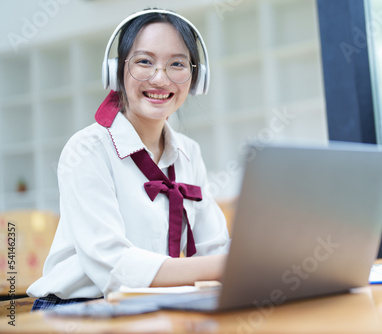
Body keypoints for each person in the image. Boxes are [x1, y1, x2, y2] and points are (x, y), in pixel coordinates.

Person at [27, 9, 230, 311]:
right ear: (116, 72)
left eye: (177, 64)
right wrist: (225, 267)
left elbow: (216, 248)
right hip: (76, 310)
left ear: (197, 77)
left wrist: (246, 264)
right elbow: (115, 267)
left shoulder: (189, 152)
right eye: (144, 61)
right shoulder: (87, 149)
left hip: (153, 304)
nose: (160, 78)